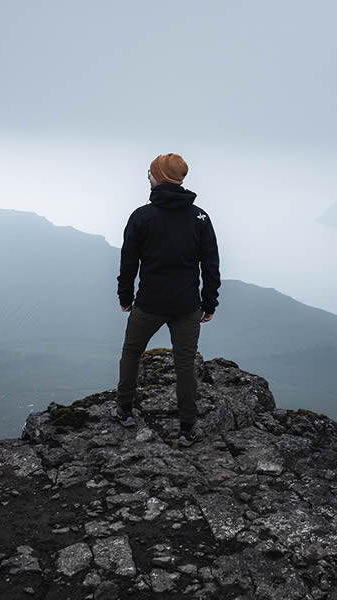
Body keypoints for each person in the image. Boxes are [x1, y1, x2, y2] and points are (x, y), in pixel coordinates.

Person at [113, 152, 221, 447]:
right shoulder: (199, 217)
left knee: (132, 352)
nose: (147, 177)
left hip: (149, 303)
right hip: (187, 306)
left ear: (158, 178)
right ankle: (187, 428)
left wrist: (125, 297)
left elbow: (128, 263)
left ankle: (123, 410)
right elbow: (210, 264)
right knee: (184, 363)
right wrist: (209, 302)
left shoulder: (141, 216)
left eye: (149, 173)